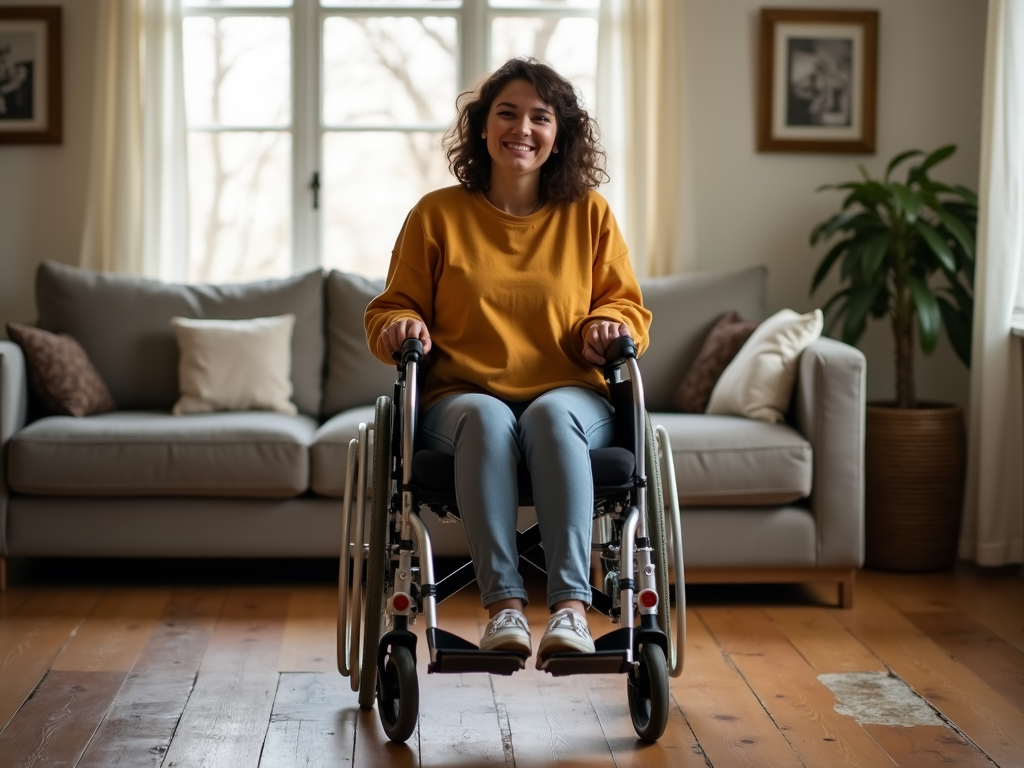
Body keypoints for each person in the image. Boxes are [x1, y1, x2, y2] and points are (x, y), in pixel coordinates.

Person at [365, 58, 651, 667]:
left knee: (551, 417)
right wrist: (400, 325)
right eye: (507, 113)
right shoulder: (437, 216)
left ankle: (571, 610)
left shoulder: (590, 215)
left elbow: (628, 308)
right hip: (462, 397)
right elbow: (389, 308)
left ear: (560, 134)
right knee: (489, 419)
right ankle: (506, 609)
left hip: (570, 396)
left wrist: (607, 325)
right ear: (482, 128)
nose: (523, 128)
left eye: (540, 117)